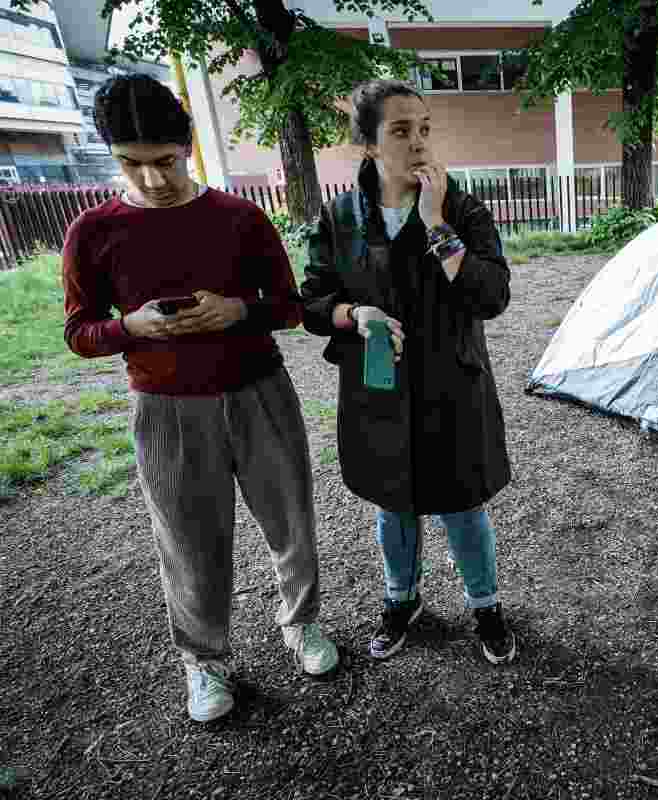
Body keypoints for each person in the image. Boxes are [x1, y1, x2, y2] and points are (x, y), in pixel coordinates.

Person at [61, 74, 338, 723]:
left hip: (259, 393)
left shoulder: (240, 219)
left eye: (165, 161)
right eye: (133, 164)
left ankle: (302, 625)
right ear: (113, 157)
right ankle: (205, 663)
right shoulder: (92, 232)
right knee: (188, 542)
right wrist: (130, 327)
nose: (153, 178)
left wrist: (237, 308)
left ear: (187, 146)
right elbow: (79, 333)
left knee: (291, 524)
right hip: (165, 408)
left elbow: (291, 307)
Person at [301, 80, 516, 665]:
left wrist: (437, 224)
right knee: (392, 502)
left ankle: (486, 606)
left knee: (462, 502)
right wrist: (353, 313)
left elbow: (493, 295)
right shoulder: (342, 216)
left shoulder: (463, 209)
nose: (418, 142)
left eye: (424, 127)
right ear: (368, 144)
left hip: (453, 384)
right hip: (379, 389)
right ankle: (403, 601)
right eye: (400, 131)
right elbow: (312, 302)